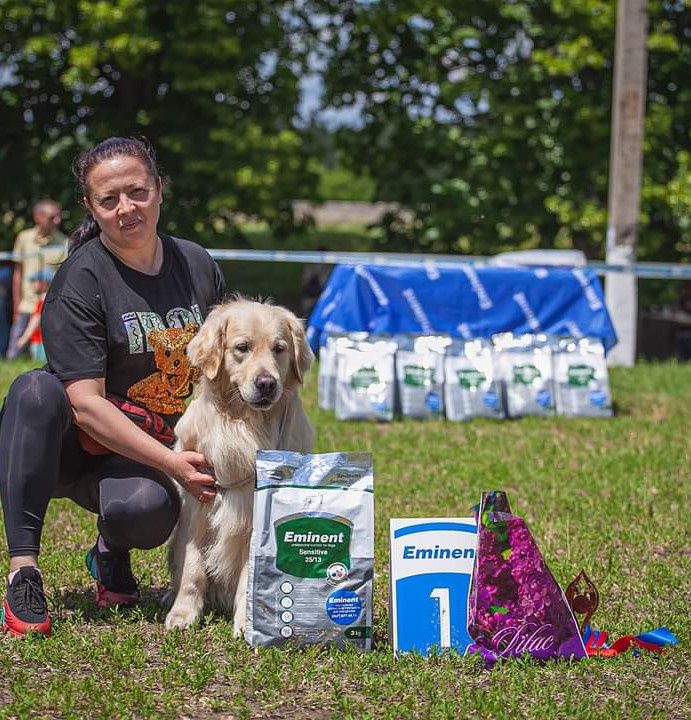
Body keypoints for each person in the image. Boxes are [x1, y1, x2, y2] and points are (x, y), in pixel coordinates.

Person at [0, 137, 226, 637]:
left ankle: (109, 552)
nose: (127, 208)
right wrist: (172, 464)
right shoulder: (80, 279)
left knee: (146, 513)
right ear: (91, 207)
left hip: (142, 444)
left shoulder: (196, 265)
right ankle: (23, 571)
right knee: (34, 391)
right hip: (70, 448)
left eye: (137, 192)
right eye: (109, 199)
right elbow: (84, 405)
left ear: (159, 190)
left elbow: (227, 360)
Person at [6, 199, 67, 359]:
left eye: (58, 216)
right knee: (14, 349)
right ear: (38, 217)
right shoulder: (24, 238)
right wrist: (16, 302)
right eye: (52, 217)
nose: (57, 220)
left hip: (49, 306)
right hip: (26, 304)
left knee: (47, 352)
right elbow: (18, 272)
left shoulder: (64, 243)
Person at [13, 268, 55, 363]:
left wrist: (24, 338)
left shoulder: (43, 302)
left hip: (40, 342)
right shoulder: (53, 300)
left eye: (35, 281)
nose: (33, 284)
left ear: (45, 283)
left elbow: (36, 320)